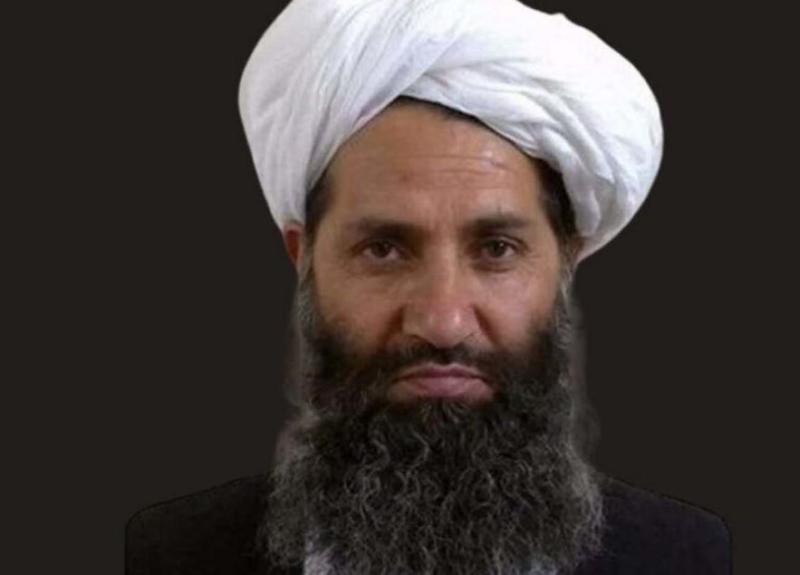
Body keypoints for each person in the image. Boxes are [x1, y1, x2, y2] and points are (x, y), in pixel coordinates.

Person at [126, 1, 730, 573]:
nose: (443, 322)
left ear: (565, 261)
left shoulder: (693, 560)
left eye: (496, 249)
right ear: (303, 257)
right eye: (384, 249)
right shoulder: (160, 558)